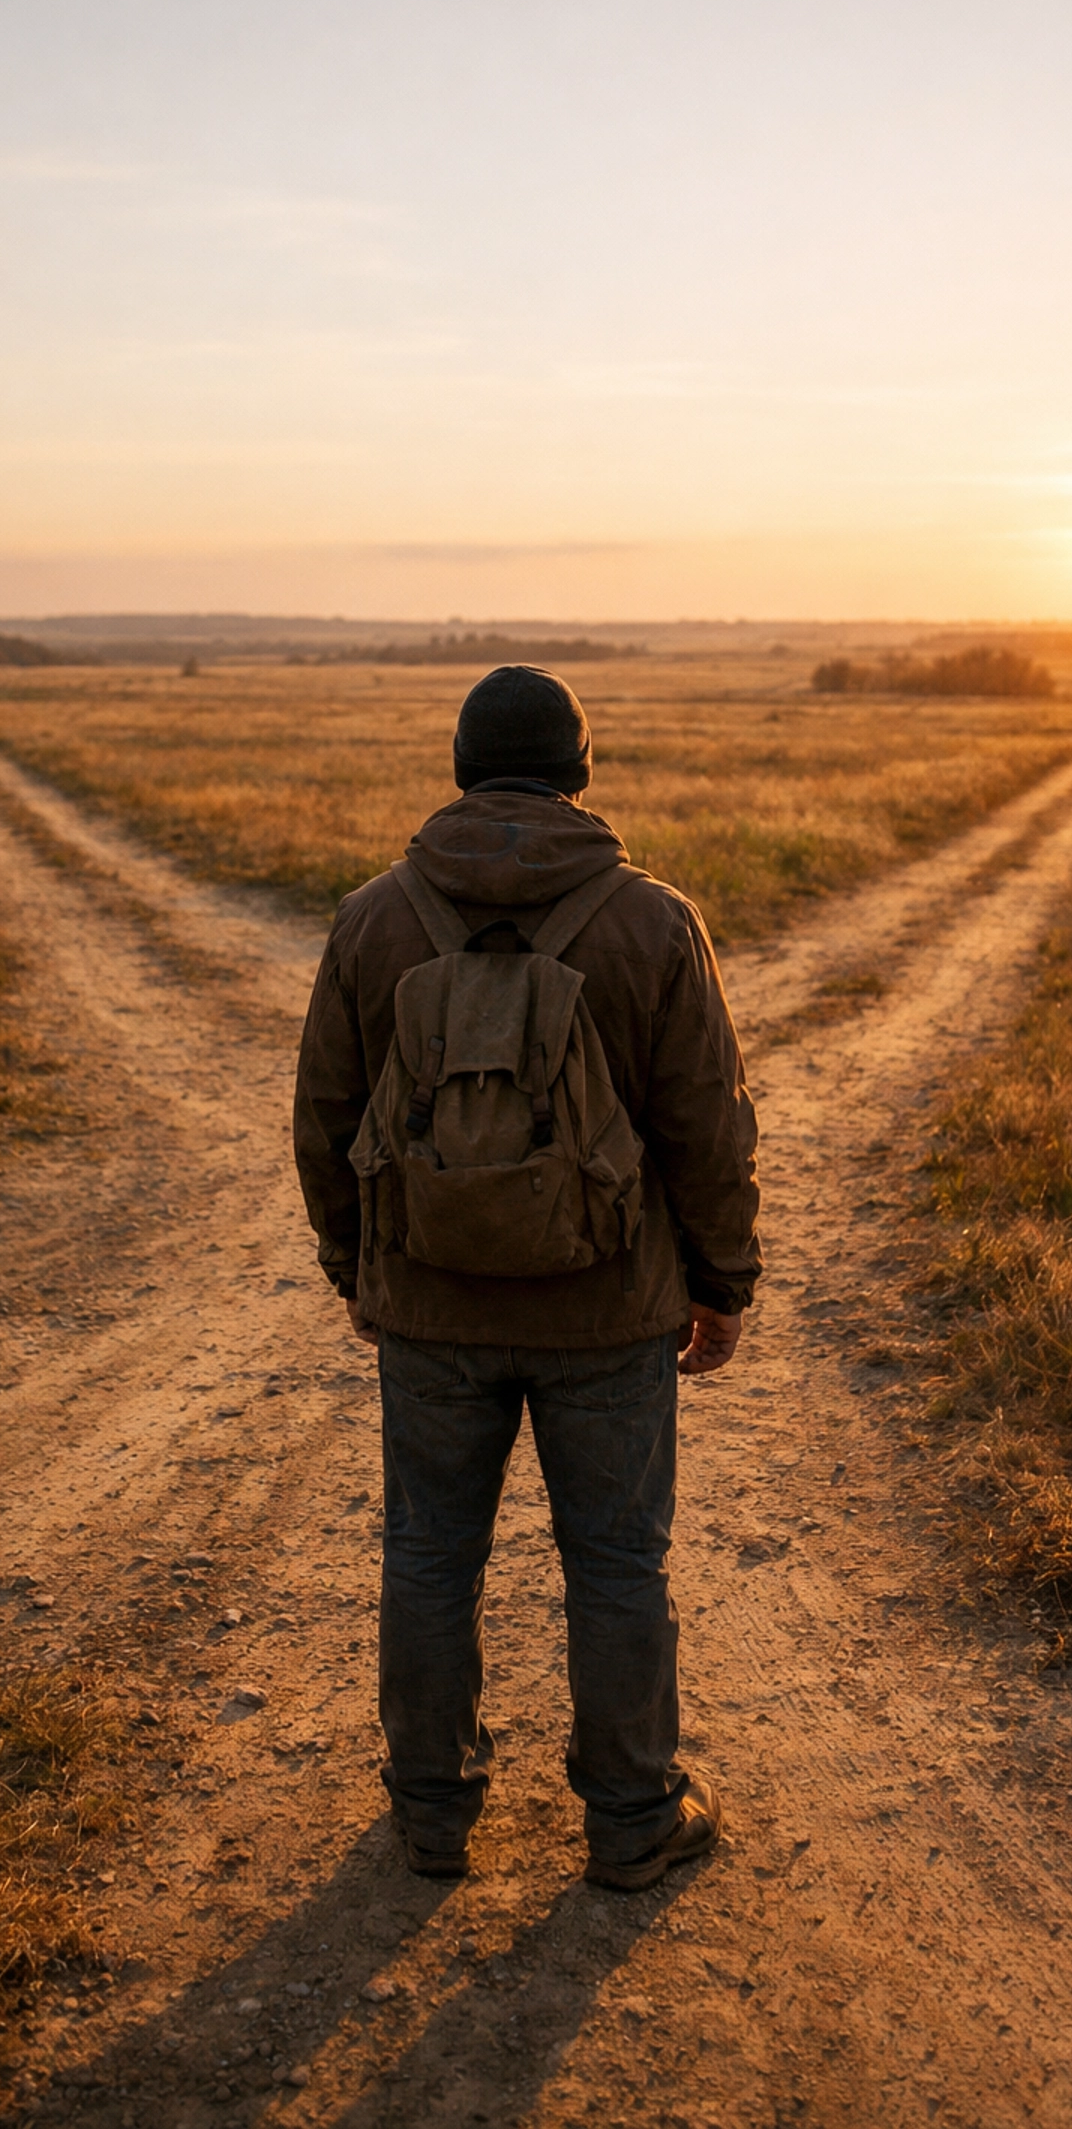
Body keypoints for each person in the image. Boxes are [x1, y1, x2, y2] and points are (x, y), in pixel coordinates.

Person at [293, 665, 761, 1889]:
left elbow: (324, 1117)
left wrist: (361, 1269)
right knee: (614, 1563)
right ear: (578, 773)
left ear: (459, 767)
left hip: (429, 1305)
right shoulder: (653, 921)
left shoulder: (371, 917)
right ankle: (632, 1821)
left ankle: (432, 1817)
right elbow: (709, 1124)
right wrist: (723, 1285)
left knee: (430, 1553)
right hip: (608, 1312)